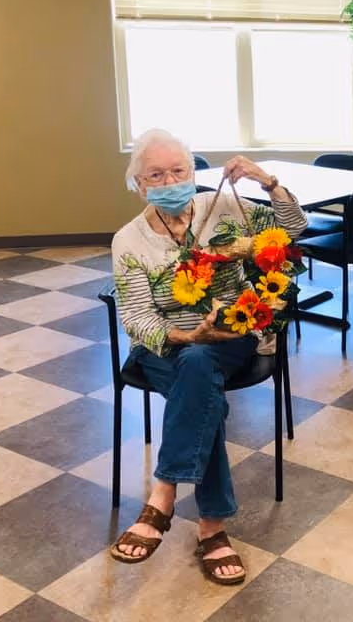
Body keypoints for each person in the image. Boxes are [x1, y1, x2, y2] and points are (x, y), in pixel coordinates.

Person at [108, 129, 307, 584]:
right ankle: (212, 527)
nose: (170, 179)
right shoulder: (129, 241)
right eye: (156, 174)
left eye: (179, 170)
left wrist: (267, 181)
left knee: (201, 371)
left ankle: (163, 495)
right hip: (166, 344)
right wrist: (184, 334)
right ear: (140, 185)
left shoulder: (223, 208)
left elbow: (294, 229)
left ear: (193, 171)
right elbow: (137, 317)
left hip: (232, 333)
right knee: (200, 373)